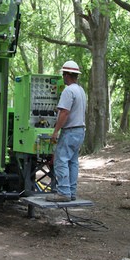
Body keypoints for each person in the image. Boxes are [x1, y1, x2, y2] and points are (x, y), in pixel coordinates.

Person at [47, 60, 87, 202]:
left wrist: (55, 131)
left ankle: (63, 192)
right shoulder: (81, 90)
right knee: (73, 161)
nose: (63, 77)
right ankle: (71, 191)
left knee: (61, 160)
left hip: (69, 131)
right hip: (80, 130)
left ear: (68, 75)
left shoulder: (68, 91)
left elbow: (64, 113)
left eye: (64, 74)